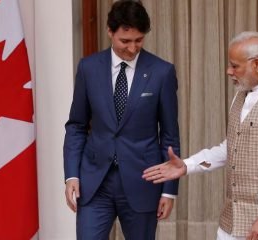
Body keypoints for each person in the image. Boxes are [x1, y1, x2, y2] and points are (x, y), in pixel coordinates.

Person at [143, 31, 258, 240]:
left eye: (235, 65)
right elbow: (232, 147)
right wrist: (187, 165)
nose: (228, 71)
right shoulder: (241, 95)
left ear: (257, 64)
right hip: (233, 222)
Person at [63, 1, 180, 239]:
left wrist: (169, 191)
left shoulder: (162, 72)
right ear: (110, 31)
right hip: (95, 183)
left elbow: (169, 135)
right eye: (125, 41)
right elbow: (76, 126)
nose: (132, 48)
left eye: (139, 40)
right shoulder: (88, 68)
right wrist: (72, 175)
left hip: (143, 182)